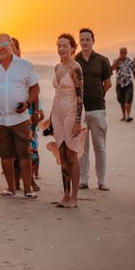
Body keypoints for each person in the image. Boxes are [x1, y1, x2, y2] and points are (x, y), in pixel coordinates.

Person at [0, 33, 40, 199]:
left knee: (24, 154)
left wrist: (28, 105)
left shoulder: (24, 65)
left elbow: (35, 89)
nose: (0, 49)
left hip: (19, 119)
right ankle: (11, 188)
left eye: (3, 45)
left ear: (11, 45)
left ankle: (28, 189)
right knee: (5, 155)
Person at [49, 34, 86, 208]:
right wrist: (50, 117)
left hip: (72, 114)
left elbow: (80, 97)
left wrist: (78, 121)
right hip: (57, 114)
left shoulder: (75, 67)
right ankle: (65, 195)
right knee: (62, 155)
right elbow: (56, 95)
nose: (61, 49)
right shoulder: (57, 67)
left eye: (65, 45)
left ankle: (75, 198)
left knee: (72, 156)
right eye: (59, 45)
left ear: (73, 48)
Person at [75, 28, 112, 191]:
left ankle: (101, 181)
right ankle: (84, 179)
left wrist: (98, 95)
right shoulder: (75, 60)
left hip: (98, 109)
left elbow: (108, 83)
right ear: (79, 42)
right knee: (82, 148)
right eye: (82, 40)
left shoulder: (102, 60)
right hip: (80, 110)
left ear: (93, 41)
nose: (84, 42)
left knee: (100, 146)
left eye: (87, 39)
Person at [111, 47, 135, 122]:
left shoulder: (130, 62)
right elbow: (112, 69)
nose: (122, 54)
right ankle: (123, 116)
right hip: (119, 84)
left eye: (124, 52)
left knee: (128, 100)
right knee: (121, 101)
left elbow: (134, 73)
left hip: (128, 84)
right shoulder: (116, 61)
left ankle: (128, 116)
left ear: (126, 53)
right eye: (121, 52)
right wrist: (117, 61)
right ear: (119, 53)